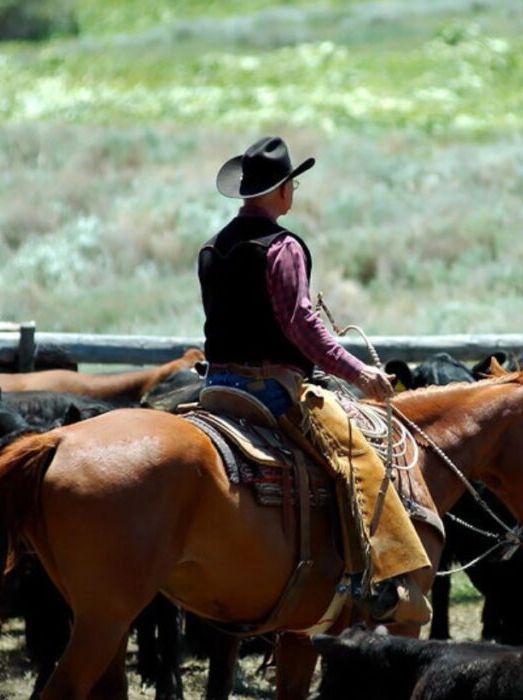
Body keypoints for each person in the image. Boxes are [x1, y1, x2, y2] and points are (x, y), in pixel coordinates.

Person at [198, 136, 432, 624]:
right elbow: (302, 328)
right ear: (281, 190)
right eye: (292, 185)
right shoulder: (282, 248)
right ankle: (376, 578)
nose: (294, 193)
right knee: (359, 456)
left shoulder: (213, 247)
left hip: (216, 388)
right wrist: (361, 373)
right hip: (269, 390)